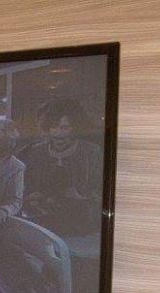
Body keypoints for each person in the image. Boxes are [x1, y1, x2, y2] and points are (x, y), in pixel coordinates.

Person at [21, 98, 103, 235]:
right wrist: (31, 198)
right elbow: (23, 190)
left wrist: (81, 198)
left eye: (65, 128)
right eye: (53, 127)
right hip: (42, 228)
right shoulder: (35, 152)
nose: (58, 134)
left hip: (82, 230)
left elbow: (102, 196)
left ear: (75, 128)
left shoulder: (92, 153)